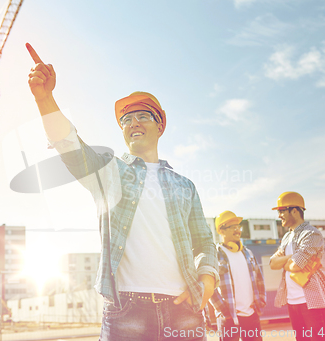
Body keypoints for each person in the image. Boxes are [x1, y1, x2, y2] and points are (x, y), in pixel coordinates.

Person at [26, 43, 219, 341]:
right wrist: (46, 99)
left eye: (142, 116)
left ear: (160, 125)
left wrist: (207, 278)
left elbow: (205, 241)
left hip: (184, 312)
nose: (133, 123)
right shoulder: (109, 172)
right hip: (126, 311)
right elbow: (69, 144)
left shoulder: (185, 186)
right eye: (126, 120)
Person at [269, 192, 325, 341]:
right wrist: (292, 257)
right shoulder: (286, 237)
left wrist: (288, 261)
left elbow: (296, 265)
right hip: (293, 303)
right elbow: (272, 263)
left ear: (295, 210)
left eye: (282, 210)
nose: (279, 215)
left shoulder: (311, 234)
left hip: (312, 302)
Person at [209, 211, 266, 341]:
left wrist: (260, 302)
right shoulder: (215, 255)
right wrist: (224, 310)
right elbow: (210, 286)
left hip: (251, 315)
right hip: (228, 318)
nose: (237, 230)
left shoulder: (248, 253)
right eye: (232, 227)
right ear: (221, 230)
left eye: (238, 226)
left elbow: (259, 280)